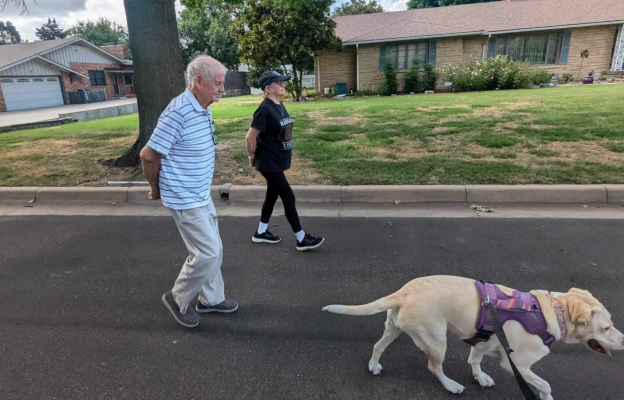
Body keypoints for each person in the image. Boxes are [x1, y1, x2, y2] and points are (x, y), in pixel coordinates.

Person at [140, 56, 238, 329]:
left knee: (214, 248)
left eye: (222, 83)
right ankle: (177, 297)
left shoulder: (202, 107)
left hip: (199, 193)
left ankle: (211, 299)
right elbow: (148, 155)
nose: (222, 88)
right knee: (207, 252)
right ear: (198, 81)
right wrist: (155, 189)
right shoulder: (179, 112)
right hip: (184, 196)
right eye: (217, 83)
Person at [245, 71, 324, 252]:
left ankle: (261, 232)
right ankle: (301, 238)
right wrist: (252, 156)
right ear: (268, 88)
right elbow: (249, 138)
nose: (283, 85)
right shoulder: (264, 109)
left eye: (283, 82)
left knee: (271, 196)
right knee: (288, 196)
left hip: (276, 160)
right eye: (278, 83)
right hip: (268, 162)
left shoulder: (278, 105)